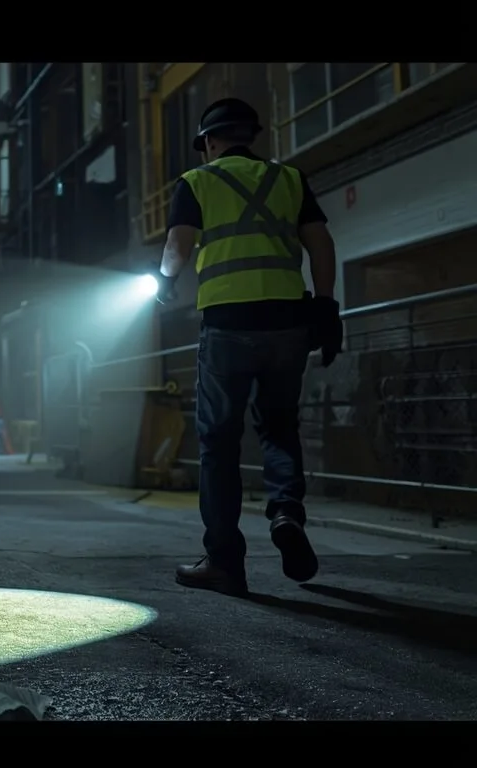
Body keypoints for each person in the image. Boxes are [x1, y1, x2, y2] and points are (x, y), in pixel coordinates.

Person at [154, 98, 344, 597]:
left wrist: (162, 286)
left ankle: (224, 562)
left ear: (210, 143)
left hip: (228, 325)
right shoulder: (289, 179)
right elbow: (321, 243)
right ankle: (285, 514)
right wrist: (326, 307)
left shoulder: (198, 182)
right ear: (249, 135)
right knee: (280, 427)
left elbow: (177, 246)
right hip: (287, 324)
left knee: (218, 444)